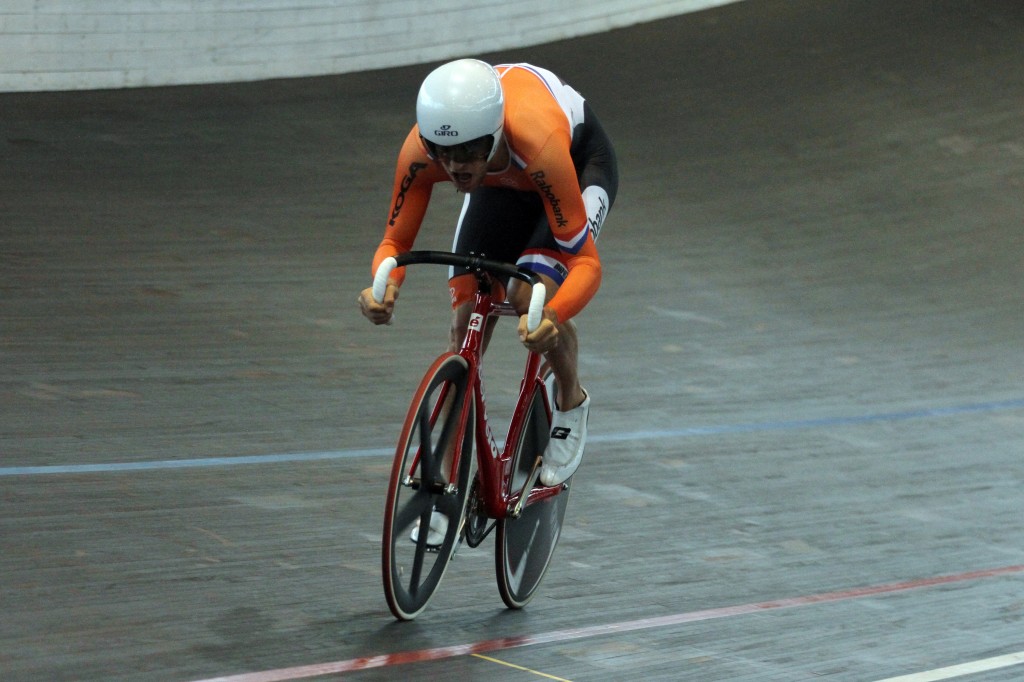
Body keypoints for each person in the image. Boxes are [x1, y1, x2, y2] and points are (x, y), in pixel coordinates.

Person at [358, 58, 618, 499]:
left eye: (468, 152)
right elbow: (393, 242)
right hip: (503, 182)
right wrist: (384, 288)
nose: (456, 167)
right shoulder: (425, 152)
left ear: (494, 134)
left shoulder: (536, 141)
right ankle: (441, 477)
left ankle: (571, 405)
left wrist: (553, 312)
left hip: (570, 167)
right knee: (464, 322)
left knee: (525, 297)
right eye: (446, 154)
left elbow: (587, 265)